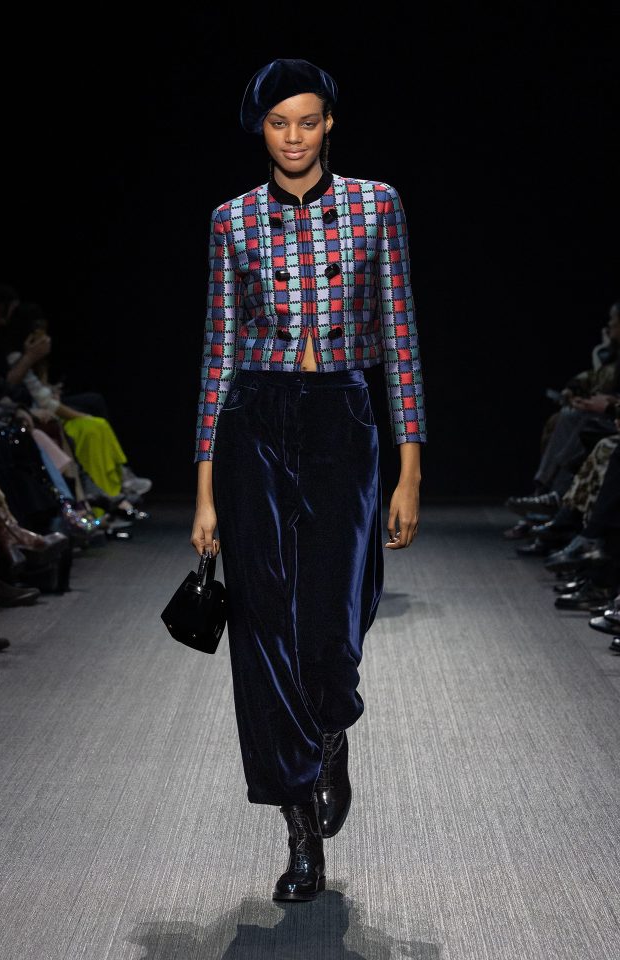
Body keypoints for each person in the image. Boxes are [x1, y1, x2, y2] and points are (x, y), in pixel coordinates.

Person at [189, 58, 427, 902]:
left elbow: (400, 335)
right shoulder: (232, 219)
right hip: (254, 424)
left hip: (344, 421)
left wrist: (409, 466)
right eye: (279, 121)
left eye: (309, 119)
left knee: (333, 619)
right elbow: (218, 350)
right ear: (259, 127)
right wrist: (205, 487)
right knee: (262, 627)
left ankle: (330, 734)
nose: (294, 136)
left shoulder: (376, 205)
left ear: (330, 124)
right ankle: (298, 831)